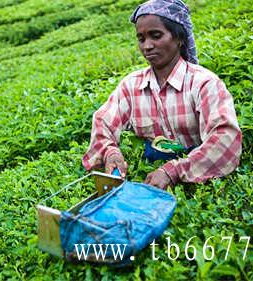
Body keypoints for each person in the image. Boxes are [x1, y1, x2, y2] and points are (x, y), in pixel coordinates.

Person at [82, 0, 242, 190]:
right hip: (150, 179)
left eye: (155, 36)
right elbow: (103, 123)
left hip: (203, 183)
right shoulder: (131, 86)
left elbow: (225, 139)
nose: (147, 46)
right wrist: (110, 153)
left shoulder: (203, 83)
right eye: (141, 39)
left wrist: (173, 171)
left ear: (179, 38)